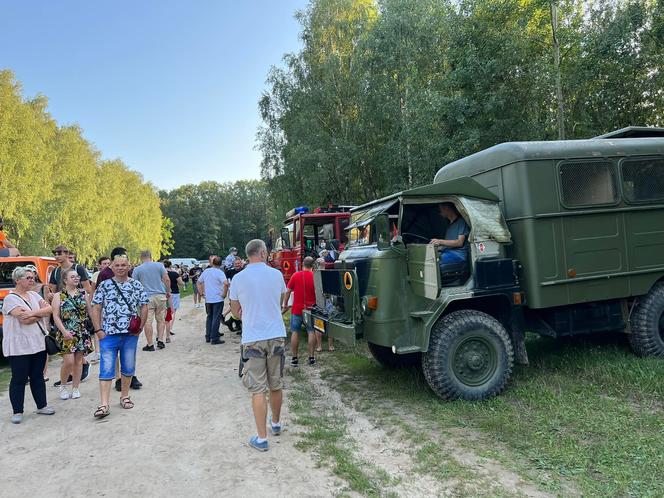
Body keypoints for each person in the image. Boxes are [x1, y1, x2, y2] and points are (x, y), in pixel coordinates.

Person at [230, 239, 287, 452]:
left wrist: (244, 311)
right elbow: (281, 300)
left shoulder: (238, 278)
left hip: (253, 336)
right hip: (276, 334)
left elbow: (235, 312)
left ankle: (262, 438)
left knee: (257, 389)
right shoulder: (276, 274)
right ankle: (276, 423)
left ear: (248, 254)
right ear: (263, 253)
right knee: (276, 383)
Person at [90, 255, 149, 419]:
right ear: (112, 267)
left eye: (124, 265)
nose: (121, 267)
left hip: (130, 334)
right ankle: (103, 404)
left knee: (128, 367)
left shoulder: (136, 285)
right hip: (108, 334)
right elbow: (96, 307)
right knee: (106, 368)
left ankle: (124, 396)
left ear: (129, 266)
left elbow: (144, 305)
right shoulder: (105, 285)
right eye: (117, 265)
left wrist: (141, 326)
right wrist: (98, 330)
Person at [2, 266, 55, 423]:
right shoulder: (10, 298)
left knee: (37, 376)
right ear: (18, 280)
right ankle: (17, 411)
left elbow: (50, 309)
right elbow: (24, 320)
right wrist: (40, 313)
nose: (32, 280)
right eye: (28, 278)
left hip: (37, 342)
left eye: (33, 277)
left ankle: (42, 405)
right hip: (19, 346)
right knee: (19, 378)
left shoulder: (33, 294)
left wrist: (32, 313)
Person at [95, 246, 143, 390]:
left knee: (127, 353)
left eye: (124, 263)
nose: (122, 265)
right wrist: (98, 326)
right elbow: (97, 297)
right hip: (111, 322)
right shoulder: (104, 275)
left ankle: (128, 376)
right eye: (119, 261)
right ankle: (118, 377)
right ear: (113, 261)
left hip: (127, 323)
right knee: (112, 353)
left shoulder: (130, 276)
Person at [52, 268, 94, 400]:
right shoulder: (58, 296)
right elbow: (56, 316)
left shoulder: (83, 294)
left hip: (81, 332)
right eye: (72, 277)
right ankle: (63, 386)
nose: (76, 278)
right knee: (68, 361)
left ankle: (75, 387)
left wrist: (97, 328)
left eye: (77, 276)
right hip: (66, 332)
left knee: (78, 361)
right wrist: (64, 331)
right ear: (65, 280)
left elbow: (90, 312)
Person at [132, 250, 171, 351]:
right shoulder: (159, 266)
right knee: (161, 319)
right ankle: (160, 340)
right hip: (160, 295)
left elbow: (134, 285)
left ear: (141, 257)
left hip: (146, 298)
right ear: (151, 256)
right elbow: (166, 279)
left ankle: (150, 344)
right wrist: (167, 291)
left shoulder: (137, 269)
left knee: (147, 321)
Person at [282, 256, 317, 367]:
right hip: (311, 309)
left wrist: (285, 304)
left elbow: (288, 291)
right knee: (311, 332)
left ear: (302, 264)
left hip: (297, 309)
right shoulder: (315, 276)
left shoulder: (295, 275)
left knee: (295, 332)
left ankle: (294, 358)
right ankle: (311, 357)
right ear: (313, 266)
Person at [197, 256, 229, 344]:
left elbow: (199, 282)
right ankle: (214, 338)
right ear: (221, 263)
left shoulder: (206, 271)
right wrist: (224, 294)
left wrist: (201, 293)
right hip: (218, 298)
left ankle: (208, 335)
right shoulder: (220, 273)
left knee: (209, 317)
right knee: (216, 318)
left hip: (208, 299)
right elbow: (226, 284)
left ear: (212, 263)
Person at [430, 202, 471, 269]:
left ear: (447, 208)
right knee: (429, 258)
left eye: (440, 209)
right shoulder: (449, 226)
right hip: (447, 252)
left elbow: (459, 243)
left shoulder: (461, 222)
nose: (439, 212)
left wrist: (440, 241)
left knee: (434, 262)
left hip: (458, 256)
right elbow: (447, 245)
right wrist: (435, 248)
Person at [314, 258, 334, 352]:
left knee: (318, 324)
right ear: (324, 264)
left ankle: (319, 346)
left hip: (318, 301)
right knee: (330, 323)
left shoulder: (314, 274)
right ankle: (330, 346)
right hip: (328, 301)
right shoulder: (329, 274)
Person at [163, 259, 184, 340]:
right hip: (174, 292)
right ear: (170, 265)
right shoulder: (174, 273)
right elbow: (181, 283)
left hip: (164, 293)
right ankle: (170, 328)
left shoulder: (162, 273)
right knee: (173, 311)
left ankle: (165, 326)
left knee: (164, 311)